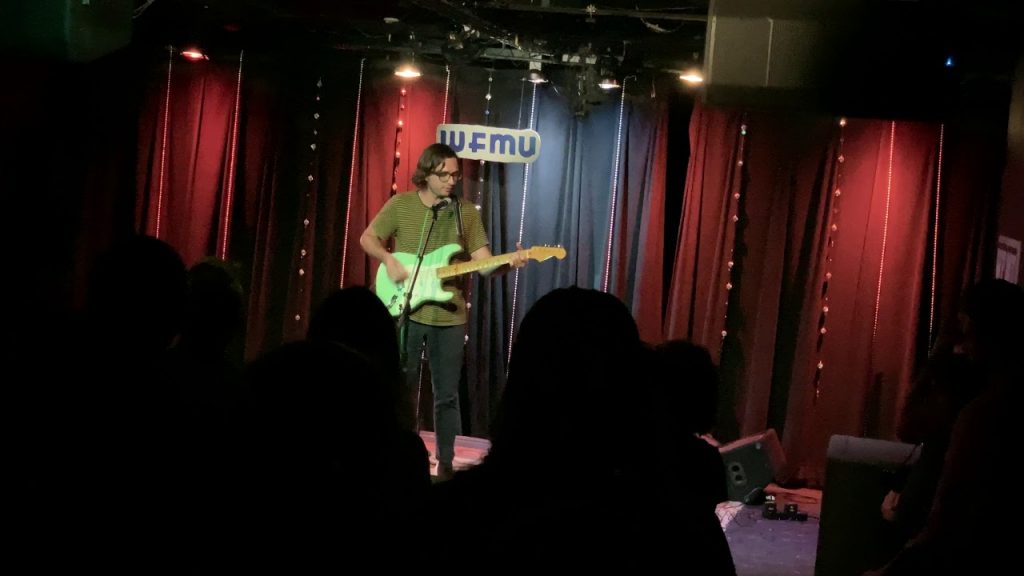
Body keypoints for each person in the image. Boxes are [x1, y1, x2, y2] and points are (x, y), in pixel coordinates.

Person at [360, 142, 526, 479]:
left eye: (455, 175)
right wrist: (389, 259)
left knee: (446, 394)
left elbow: (483, 266)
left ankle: (446, 465)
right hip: (407, 310)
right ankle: (395, 455)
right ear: (427, 174)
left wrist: (510, 263)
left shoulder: (465, 213)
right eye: (445, 174)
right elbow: (368, 238)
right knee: (400, 386)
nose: (452, 180)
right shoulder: (402, 205)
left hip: (449, 317)